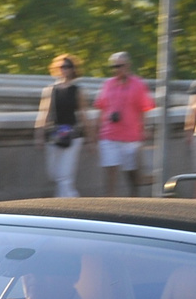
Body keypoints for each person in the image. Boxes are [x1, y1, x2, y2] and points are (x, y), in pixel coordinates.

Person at [94, 51, 155, 196]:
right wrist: (95, 132)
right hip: (109, 134)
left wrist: (146, 128)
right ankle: (109, 205)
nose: (116, 69)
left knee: (132, 175)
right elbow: (100, 107)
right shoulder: (107, 84)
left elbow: (145, 108)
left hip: (131, 136)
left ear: (128, 65)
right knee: (110, 172)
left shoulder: (138, 84)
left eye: (119, 66)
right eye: (113, 67)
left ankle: (134, 203)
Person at [36, 54, 91, 198]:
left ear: (73, 70)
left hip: (72, 136)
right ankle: (73, 202)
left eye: (68, 67)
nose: (64, 70)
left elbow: (84, 115)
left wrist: (91, 138)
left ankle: (66, 205)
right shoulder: (50, 90)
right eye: (62, 67)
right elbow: (44, 113)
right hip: (54, 134)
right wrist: (39, 135)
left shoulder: (77, 91)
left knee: (65, 176)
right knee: (53, 174)